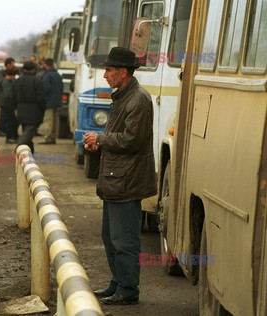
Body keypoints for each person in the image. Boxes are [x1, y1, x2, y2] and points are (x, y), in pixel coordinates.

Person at [84, 47, 157, 305]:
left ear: (123, 72)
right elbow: (123, 138)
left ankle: (128, 289)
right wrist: (99, 144)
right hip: (117, 180)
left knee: (124, 240)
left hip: (126, 181)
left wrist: (101, 139)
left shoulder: (138, 99)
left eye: (109, 70)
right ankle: (117, 282)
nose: (105, 75)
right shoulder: (124, 96)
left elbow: (131, 140)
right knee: (110, 237)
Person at [12, 61, 46, 153]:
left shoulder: (17, 81)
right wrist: (42, 108)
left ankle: (29, 153)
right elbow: (41, 98)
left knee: (26, 131)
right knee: (29, 132)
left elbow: (13, 97)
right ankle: (19, 147)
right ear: (34, 69)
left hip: (20, 109)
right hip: (34, 110)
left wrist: (15, 108)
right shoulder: (37, 81)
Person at [39, 58, 63, 144]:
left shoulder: (47, 75)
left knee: (49, 120)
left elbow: (45, 88)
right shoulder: (58, 74)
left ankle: (48, 138)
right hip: (57, 101)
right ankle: (53, 137)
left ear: (46, 64)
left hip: (49, 101)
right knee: (55, 121)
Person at [0, 57, 16, 136]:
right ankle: (1, 130)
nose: (13, 66)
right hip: (2, 97)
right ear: (8, 64)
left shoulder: (12, 71)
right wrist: (6, 79)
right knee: (3, 115)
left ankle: (6, 130)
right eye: (12, 64)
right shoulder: (0, 72)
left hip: (10, 98)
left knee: (9, 115)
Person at [1, 68, 19, 144]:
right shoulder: (6, 82)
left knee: (13, 121)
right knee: (11, 121)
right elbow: (7, 94)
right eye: (13, 76)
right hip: (8, 104)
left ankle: (14, 136)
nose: (14, 78)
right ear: (10, 76)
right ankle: (9, 137)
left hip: (10, 104)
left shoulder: (9, 81)